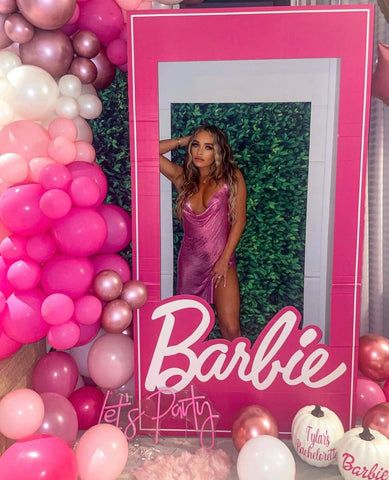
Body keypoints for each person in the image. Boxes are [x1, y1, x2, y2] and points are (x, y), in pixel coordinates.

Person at [160, 125, 246, 340]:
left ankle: (237, 373)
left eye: (208, 147)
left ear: (218, 151)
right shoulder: (183, 178)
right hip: (191, 264)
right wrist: (184, 140)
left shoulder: (231, 178)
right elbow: (146, 151)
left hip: (221, 261)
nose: (199, 152)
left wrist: (224, 259)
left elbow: (239, 220)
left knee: (231, 328)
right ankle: (195, 373)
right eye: (196, 145)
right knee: (191, 330)